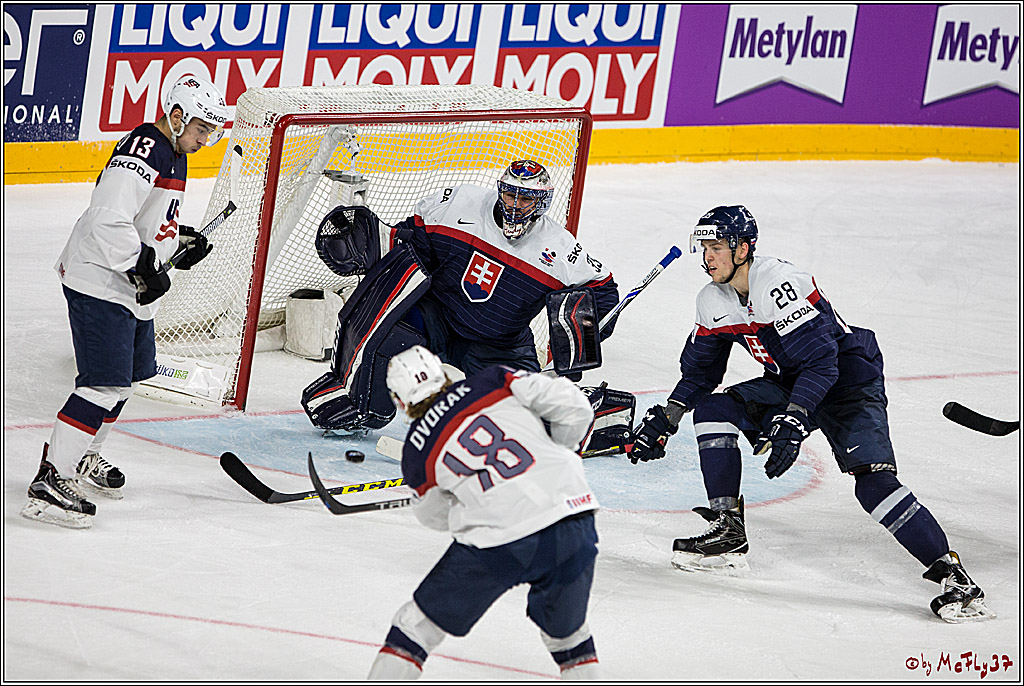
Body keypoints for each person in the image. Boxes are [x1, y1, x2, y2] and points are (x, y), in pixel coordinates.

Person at [627, 205, 994, 623]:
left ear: (744, 248)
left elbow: (823, 362)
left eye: (717, 247)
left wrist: (794, 418)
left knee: (873, 483)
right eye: (704, 248)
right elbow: (702, 373)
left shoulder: (780, 283)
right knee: (711, 410)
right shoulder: (713, 299)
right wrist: (667, 419)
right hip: (788, 380)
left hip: (848, 380)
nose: (708, 257)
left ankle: (952, 575)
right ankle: (728, 530)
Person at [21, 75, 228, 529]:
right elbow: (107, 218)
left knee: (128, 380)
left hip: (128, 285)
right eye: (201, 129)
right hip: (99, 280)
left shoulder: (175, 151)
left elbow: (149, 221)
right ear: (176, 117)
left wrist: (179, 244)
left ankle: (84, 456)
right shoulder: (145, 148)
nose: (205, 139)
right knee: (102, 384)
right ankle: (51, 479)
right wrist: (140, 263)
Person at [302, 159, 622, 433]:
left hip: (499, 342)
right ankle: (363, 403)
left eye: (525, 198)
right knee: (391, 331)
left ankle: (590, 408)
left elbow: (604, 290)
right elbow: (415, 241)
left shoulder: (560, 248)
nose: (514, 204)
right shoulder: (460, 204)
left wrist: (581, 335)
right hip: (436, 317)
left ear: (542, 202)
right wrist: (384, 246)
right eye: (510, 193)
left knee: (520, 422)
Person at [366, 346, 601, 680]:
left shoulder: (417, 452)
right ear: (442, 373)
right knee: (570, 640)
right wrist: (557, 452)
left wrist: (471, 501)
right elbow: (575, 406)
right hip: (574, 517)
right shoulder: (495, 379)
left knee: (415, 628)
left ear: (400, 401)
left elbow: (434, 518)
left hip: (500, 542)